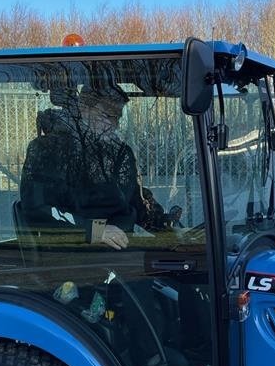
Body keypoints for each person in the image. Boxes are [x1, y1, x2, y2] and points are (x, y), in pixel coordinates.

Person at [19, 83, 170, 249]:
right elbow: (36, 209)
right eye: (108, 116)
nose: (115, 125)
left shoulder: (118, 152)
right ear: (84, 109)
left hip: (122, 248)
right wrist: (94, 231)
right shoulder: (48, 150)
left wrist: (164, 225)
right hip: (74, 255)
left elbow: (133, 198)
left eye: (118, 118)